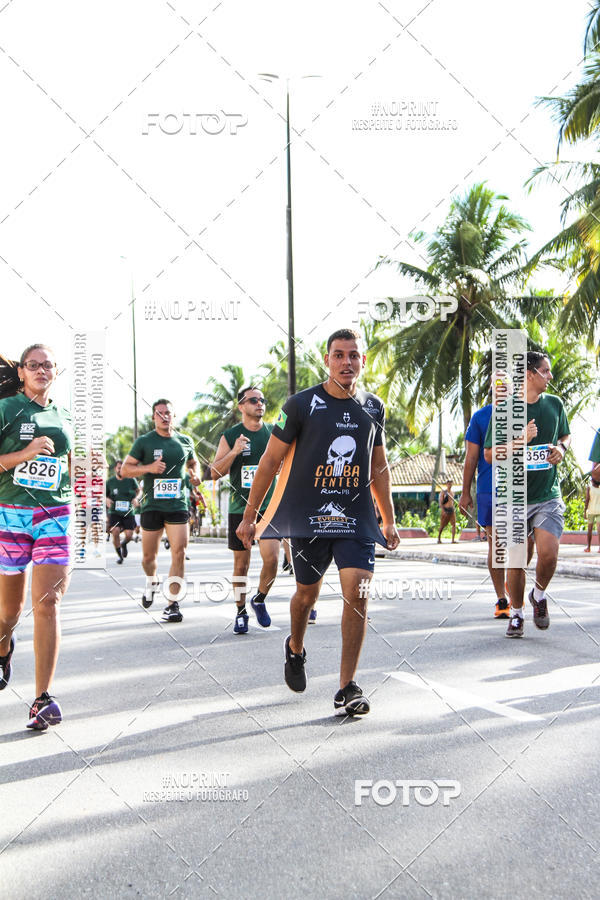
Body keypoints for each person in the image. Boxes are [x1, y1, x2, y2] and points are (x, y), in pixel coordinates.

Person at [237, 328, 400, 716]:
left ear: (362, 361)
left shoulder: (373, 407)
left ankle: (347, 686)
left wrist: (389, 520)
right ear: (327, 360)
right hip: (310, 519)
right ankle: (295, 647)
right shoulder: (300, 405)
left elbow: (378, 467)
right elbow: (270, 462)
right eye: (339, 355)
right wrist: (249, 517)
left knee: (357, 594)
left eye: (354, 355)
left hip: (355, 518)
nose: (347, 362)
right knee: (306, 596)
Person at [0, 345, 72, 730]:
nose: (41, 369)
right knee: (8, 613)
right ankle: (4, 647)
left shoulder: (66, 417)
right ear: (22, 372)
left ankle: (43, 698)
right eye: (33, 365)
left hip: (53, 514)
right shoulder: (7, 409)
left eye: (47, 364)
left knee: (48, 603)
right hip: (9, 513)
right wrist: (24, 454)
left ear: (56, 371)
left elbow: (74, 467)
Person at [484, 351, 571, 638]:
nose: (550, 376)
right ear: (531, 374)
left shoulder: (555, 405)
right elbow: (488, 454)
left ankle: (539, 594)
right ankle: (518, 614)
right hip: (514, 497)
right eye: (545, 371)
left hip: (547, 494)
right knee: (517, 560)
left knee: (548, 554)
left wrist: (562, 448)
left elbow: (565, 435)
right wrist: (521, 441)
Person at [121, 399, 200, 623]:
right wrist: (149, 468)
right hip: (152, 506)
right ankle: (152, 580)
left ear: (174, 416)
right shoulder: (144, 442)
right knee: (148, 558)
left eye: (168, 413)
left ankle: (172, 603)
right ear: (154, 417)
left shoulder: (185, 441)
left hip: (177, 504)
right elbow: (126, 470)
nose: (165, 417)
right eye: (160, 413)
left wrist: (195, 474)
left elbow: (193, 463)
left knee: (180, 552)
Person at [211, 387, 279, 634]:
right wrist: (234, 452)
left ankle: (259, 598)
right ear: (241, 406)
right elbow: (214, 473)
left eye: (262, 399)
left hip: (269, 507)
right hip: (240, 508)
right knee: (242, 566)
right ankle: (241, 612)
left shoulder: (273, 432)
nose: (260, 403)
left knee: (272, 559)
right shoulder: (230, 435)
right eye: (253, 400)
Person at [459, 374, 510, 618]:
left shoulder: (523, 414)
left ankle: (514, 582)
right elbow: (471, 457)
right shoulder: (480, 417)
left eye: (507, 386)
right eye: (497, 386)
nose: (502, 390)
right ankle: (502, 598)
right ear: (491, 389)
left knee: (526, 544)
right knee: (497, 544)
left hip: (524, 489)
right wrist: (465, 492)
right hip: (490, 489)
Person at [106, 460, 140, 564]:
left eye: (122, 468)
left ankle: (124, 544)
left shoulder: (131, 480)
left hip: (128, 512)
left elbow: (139, 490)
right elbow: (104, 494)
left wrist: (136, 498)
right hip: (115, 512)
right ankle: (120, 556)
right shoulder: (110, 482)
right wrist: (106, 499)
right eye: (119, 468)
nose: (120, 470)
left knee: (129, 535)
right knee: (115, 532)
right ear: (115, 469)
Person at [584, 475, 600, 552]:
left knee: (589, 530)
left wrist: (585, 511)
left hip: (591, 511)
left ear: (592, 481)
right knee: (599, 530)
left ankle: (588, 547)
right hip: (599, 511)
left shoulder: (589, 488)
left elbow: (587, 500)